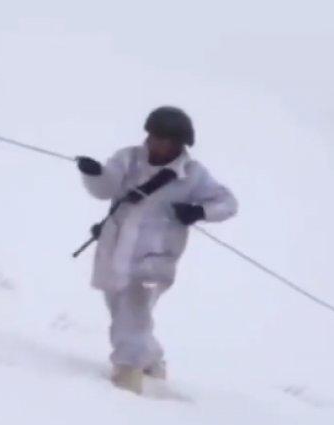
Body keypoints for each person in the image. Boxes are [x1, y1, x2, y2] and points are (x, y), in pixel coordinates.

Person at [75, 107, 238, 394]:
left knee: (133, 313)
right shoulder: (127, 159)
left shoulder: (193, 175)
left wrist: (199, 210)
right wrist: (94, 174)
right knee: (120, 311)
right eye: (155, 136)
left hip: (155, 260)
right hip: (114, 252)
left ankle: (128, 372)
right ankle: (152, 361)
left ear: (180, 144)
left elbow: (227, 204)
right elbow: (105, 187)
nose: (159, 144)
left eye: (168, 140)